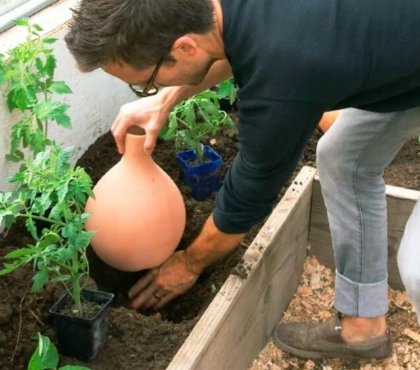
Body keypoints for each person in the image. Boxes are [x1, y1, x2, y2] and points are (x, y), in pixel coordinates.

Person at [64, 0, 420, 361]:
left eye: (146, 84)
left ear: (184, 47)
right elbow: (230, 47)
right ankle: (363, 328)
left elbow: (250, 192)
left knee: (417, 267)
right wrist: (164, 100)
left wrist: (189, 263)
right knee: (345, 158)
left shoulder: (283, 72)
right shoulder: (225, 13)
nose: (148, 91)